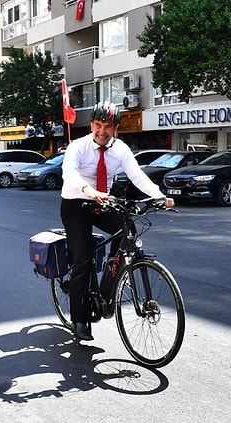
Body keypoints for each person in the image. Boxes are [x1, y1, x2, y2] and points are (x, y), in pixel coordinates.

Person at [60, 100, 175, 342]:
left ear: (116, 129)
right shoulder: (78, 147)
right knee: (83, 259)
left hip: (102, 203)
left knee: (127, 231)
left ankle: (108, 285)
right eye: (98, 125)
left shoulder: (120, 149)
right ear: (91, 124)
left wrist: (160, 196)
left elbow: (137, 175)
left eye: (108, 127)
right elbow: (68, 173)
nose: (102, 132)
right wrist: (87, 190)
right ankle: (79, 318)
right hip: (76, 205)